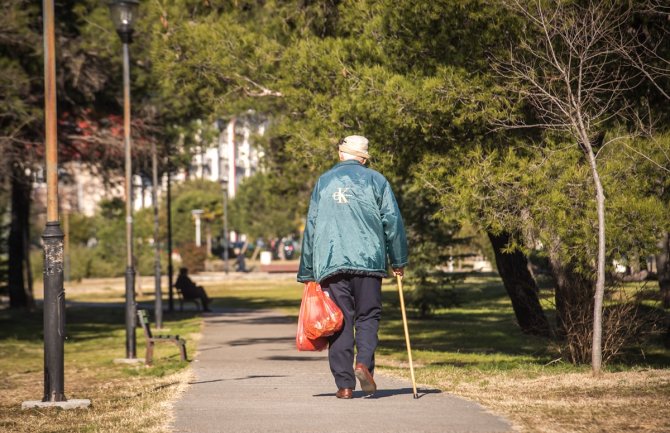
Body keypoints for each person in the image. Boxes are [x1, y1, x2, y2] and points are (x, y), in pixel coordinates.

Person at [297, 135, 408, 399]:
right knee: (368, 316)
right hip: (369, 261)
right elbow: (392, 221)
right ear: (363, 157)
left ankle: (345, 385)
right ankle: (363, 364)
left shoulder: (324, 181)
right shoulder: (377, 180)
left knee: (340, 322)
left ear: (340, 154)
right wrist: (399, 260)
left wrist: (307, 271)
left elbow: (312, 227)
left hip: (332, 263)